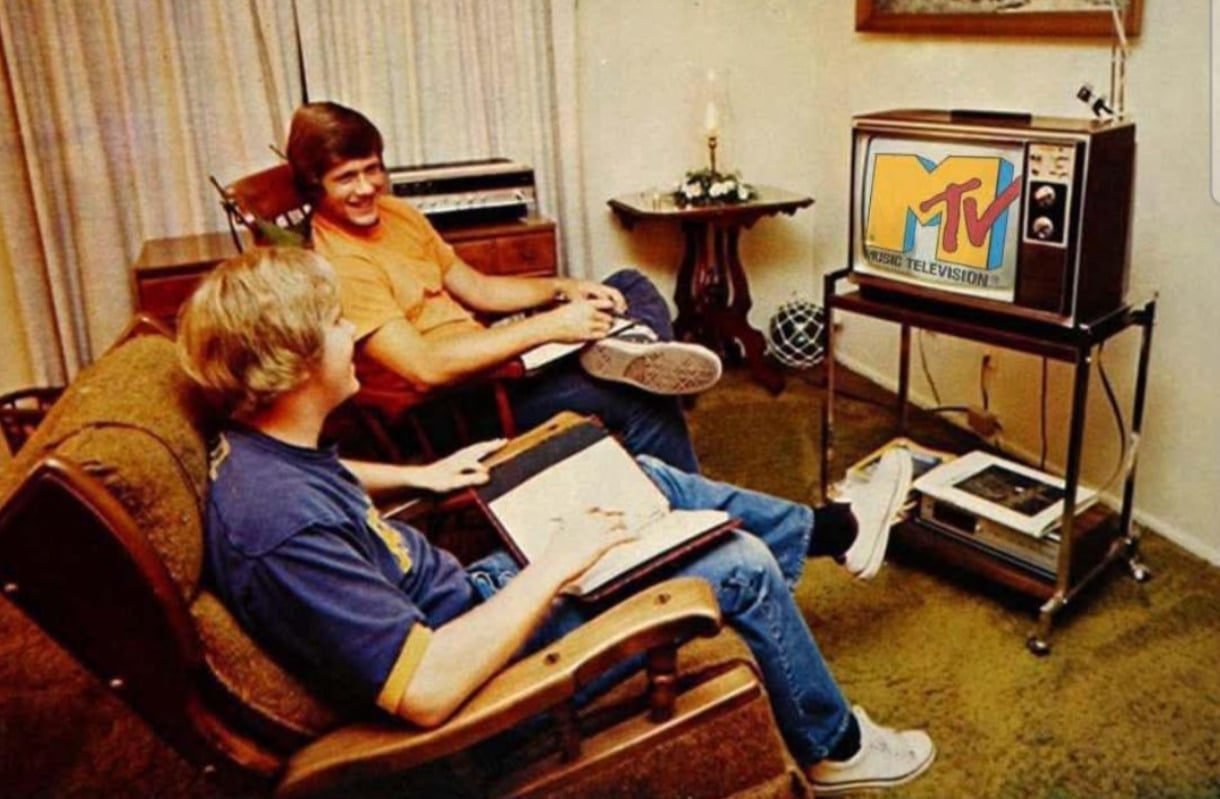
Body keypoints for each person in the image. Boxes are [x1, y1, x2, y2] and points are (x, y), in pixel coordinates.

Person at [178, 247, 935, 795]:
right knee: (739, 564)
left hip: (474, 598)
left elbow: (325, 482)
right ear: (293, 363)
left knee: (647, 477)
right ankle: (836, 748)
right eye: (338, 323)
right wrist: (558, 563)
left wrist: (415, 475)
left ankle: (833, 532)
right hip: (485, 667)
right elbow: (429, 689)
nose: (355, 336)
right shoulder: (281, 531)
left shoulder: (262, 453)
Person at [285, 101, 718, 473]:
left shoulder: (397, 213)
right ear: (314, 185)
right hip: (457, 405)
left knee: (628, 283)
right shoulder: (340, 264)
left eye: (372, 169)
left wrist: (563, 288)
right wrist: (549, 327)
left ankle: (630, 349)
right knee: (643, 399)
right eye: (346, 177)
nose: (366, 188)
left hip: (495, 365)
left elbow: (480, 290)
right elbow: (425, 367)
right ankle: (689, 503)